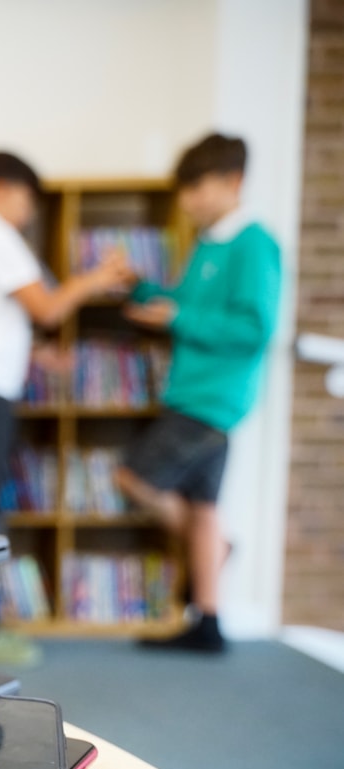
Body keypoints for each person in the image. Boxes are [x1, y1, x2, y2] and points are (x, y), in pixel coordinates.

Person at [116, 133, 282, 653]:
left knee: (132, 477)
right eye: (184, 191)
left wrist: (181, 316)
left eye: (198, 188)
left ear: (234, 181)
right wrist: (142, 289)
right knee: (203, 504)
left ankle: (216, 551)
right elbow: (183, 301)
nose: (189, 201)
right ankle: (208, 620)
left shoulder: (254, 243)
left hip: (213, 398)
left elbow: (255, 327)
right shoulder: (208, 242)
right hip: (195, 392)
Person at [0, 152, 133, 535]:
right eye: (26, 201)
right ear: (0, 189)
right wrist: (95, 279)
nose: (27, 215)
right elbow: (48, 310)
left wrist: (35, 352)